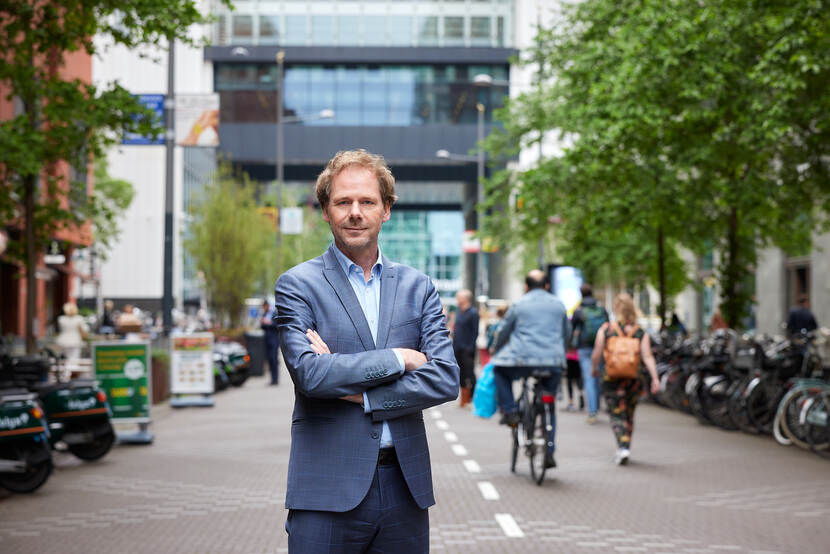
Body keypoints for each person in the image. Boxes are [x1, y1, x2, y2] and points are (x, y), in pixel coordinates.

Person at [274, 149, 459, 553]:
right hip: (324, 491)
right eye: (343, 202)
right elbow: (310, 375)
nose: (355, 212)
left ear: (386, 209)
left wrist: (361, 393)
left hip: (404, 491)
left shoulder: (419, 287)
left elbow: (445, 378)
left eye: (367, 202)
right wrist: (401, 359)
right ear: (326, 210)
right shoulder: (297, 286)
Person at [492, 269, 570, 469]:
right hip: (553, 362)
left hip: (522, 361)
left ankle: (509, 411)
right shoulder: (559, 305)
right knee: (549, 405)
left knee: (499, 371)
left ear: (526, 287)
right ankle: (549, 451)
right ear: (547, 286)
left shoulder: (519, 304)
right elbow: (566, 334)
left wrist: (496, 349)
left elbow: (503, 332)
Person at [590, 293, 660, 465]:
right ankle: (626, 444)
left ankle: (622, 446)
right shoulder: (640, 332)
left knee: (616, 413)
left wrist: (594, 369)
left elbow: (597, 353)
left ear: (616, 308)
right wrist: (655, 378)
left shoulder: (606, 329)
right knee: (629, 413)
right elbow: (648, 356)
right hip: (633, 378)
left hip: (612, 377)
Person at [570, 283, 609, 424]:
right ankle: (597, 405)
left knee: (589, 378)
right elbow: (608, 329)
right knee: (598, 376)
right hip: (601, 347)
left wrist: (569, 345)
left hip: (585, 348)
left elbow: (571, 329)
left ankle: (592, 412)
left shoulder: (579, 311)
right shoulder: (601, 310)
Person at [453, 288, 479, 407]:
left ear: (465, 299)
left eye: (459, 297)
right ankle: (463, 398)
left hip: (467, 350)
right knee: (460, 373)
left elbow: (475, 332)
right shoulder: (459, 312)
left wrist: (470, 347)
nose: (457, 299)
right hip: (457, 348)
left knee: (469, 374)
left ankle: (472, 397)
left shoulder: (473, 313)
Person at [261, 299, 280, 385]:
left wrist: (268, 323)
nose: (264, 308)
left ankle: (276, 379)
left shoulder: (274, 313)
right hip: (267, 340)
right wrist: (264, 323)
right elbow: (262, 325)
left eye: (265, 306)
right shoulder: (264, 314)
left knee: (274, 359)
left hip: (274, 340)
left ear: (268, 306)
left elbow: (276, 325)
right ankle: (272, 379)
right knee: (269, 360)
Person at [564, 347, 584, 411]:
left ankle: (571, 402)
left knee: (570, 381)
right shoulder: (581, 336)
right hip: (578, 357)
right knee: (578, 379)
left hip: (569, 357)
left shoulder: (569, 337)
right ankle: (580, 395)